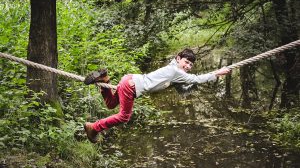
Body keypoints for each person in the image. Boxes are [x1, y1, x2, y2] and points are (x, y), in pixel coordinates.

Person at [83, 48, 231, 143]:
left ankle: (104, 79)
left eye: (191, 65)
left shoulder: (175, 72)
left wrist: (195, 85)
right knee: (124, 117)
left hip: (128, 80)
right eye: (186, 62)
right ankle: (93, 127)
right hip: (131, 86)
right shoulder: (175, 71)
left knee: (110, 104)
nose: (188, 66)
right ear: (178, 58)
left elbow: (184, 91)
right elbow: (196, 78)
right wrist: (216, 73)